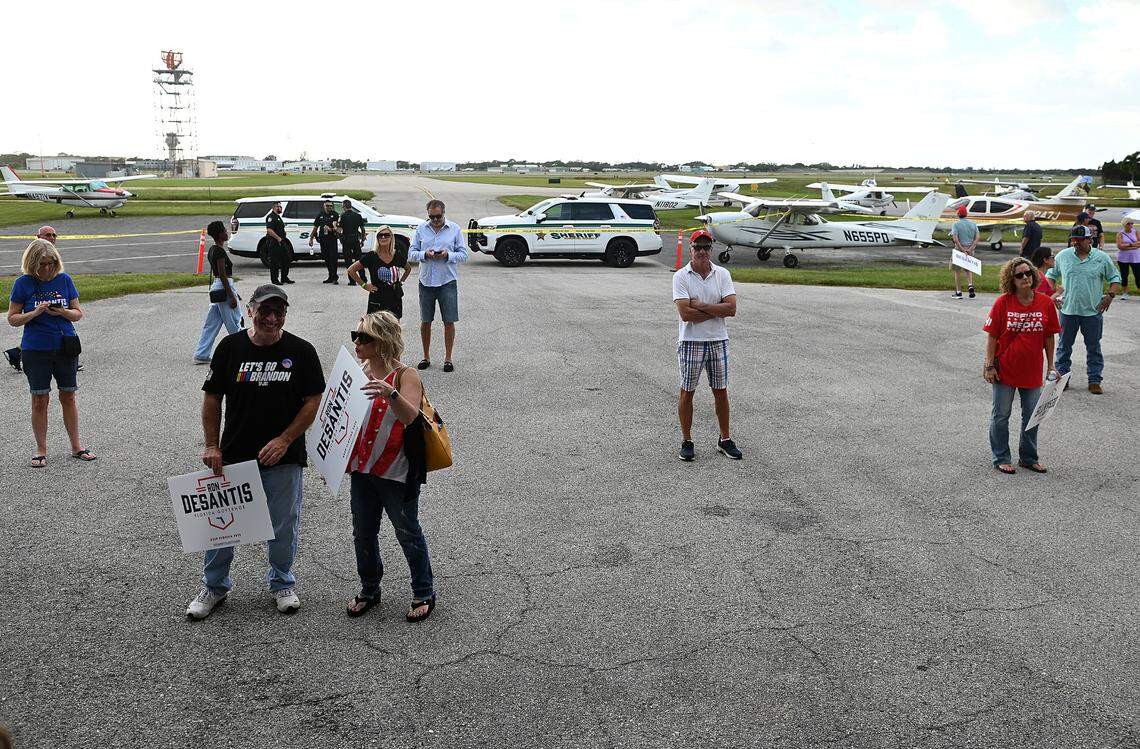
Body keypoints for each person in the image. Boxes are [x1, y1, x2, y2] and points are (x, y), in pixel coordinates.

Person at [187, 284, 325, 620]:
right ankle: (215, 586)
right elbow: (212, 398)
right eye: (265, 310)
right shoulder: (230, 348)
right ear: (251, 311)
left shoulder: (302, 351)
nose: (272, 318)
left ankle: (281, 583)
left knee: (283, 524)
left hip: (284, 457)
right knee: (221, 525)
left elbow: (313, 402)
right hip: (235, 453)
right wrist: (211, 444)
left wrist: (285, 440)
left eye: (279, 312)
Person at [344, 310, 436, 622]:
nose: (356, 342)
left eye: (363, 337)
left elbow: (412, 418)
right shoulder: (360, 369)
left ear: (383, 341)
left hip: (397, 471)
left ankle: (423, 591)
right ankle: (370, 588)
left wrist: (390, 392)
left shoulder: (405, 375)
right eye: (355, 335)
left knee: (407, 531)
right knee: (363, 532)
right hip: (363, 469)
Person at [6, 239, 95, 467]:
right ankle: (41, 449)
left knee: (68, 396)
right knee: (40, 399)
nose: (46, 269)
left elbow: (77, 313)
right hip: (36, 349)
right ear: (32, 263)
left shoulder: (64, 280)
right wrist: (34, 313)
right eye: (42, 264)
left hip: (65, 346)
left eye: (50, 263)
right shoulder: (22, 283)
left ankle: (76, 446)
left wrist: (62, 312)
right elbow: (13, 319)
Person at [983, 258, 1060, 475]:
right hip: (1005, 369)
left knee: (1032, 415)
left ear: (1034, 275)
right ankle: (1001, 457)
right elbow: (992, 337)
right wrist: (990, 366)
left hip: (1032, 370)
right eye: (1019, 275)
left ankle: (1028, 457)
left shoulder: (1045, 303)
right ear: (1012, 280)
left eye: (1028, 273)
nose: (1025, 277)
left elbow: (1049, 337)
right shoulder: (1003, 302)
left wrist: (1051, 365)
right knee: (1001, 415)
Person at [672, 229, 740, 462]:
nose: (702, 251)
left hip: (718, 341)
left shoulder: (722, 274)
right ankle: (687, 440)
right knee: (687, 392)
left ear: (711, 249)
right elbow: (685, 314)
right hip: (691, 342)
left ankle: (725, 439)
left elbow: (731, 309)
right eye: (697, 247)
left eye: (706, 247)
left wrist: (700, 304)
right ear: (690, 249)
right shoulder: (681, 276)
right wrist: (715, 309)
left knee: (721, 392)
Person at [1046, 224, 1122, 394]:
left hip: (1092, 311)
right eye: (1074, 239)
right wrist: (1053, 295)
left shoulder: (1101, 257)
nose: (1076, 243)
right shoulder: (1063, 256)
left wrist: (1110, 295)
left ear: (1090, 240)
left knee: (1093, 346)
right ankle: (1062, 378)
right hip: (1068, 310)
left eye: (1080, 240)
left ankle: (1095, 380)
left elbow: (1115, 277)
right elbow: (1050, 275)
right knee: (1064, 346)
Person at [408, 199, 468, 372]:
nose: (435, 220)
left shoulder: (454, 229)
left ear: (444, 213)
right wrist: (424, 254)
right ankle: (426, 356)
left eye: (438, 216)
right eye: (431, 217)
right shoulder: (421, 229)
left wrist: (448, 255)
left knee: (449, 321)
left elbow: (464, 255)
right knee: (425, 321)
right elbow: (411, 253)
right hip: (426, 282)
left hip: (447, 281)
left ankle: (448, 358)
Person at [193, 221, 242, 365]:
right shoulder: (219, 251)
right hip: (224, 286)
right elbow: (222, 274)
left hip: (217, 287)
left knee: (211, 324)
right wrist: (231, 296)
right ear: (219, 234)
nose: (226, 232)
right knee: (235, 322)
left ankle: (201, 354)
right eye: (224, 230)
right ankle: (243, 351)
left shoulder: (213, 249)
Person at [347, 225, 411, 317]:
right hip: (377, 298)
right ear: (377, 238)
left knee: (394, 327)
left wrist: (401, 282)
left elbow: (408, 269)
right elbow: (351, 270)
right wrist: (364, 285)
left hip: (395, 297)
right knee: (376, 328)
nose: (383, 237)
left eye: (386, 235)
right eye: (380, 235)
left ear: (391, 237)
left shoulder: (397, 255)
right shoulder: (371, 256)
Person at [309, 199, 341, 284]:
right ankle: (330, 276)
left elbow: (338, 229)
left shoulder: (335, 215)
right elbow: (315, 228)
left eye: (330, 206)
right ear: (324, 206)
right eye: (327, 206)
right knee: (326, 258)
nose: (329, 207)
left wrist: (331, 229)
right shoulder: (320, 215)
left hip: (332, 239)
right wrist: (311, 238)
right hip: (323, 240)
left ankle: (335, 277)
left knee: (333, 258)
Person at [950, 204, 978, 299]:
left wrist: (962, 250)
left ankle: (959, 292)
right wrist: (970, 249)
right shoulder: (973, 224)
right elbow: (977, 238)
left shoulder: (956, 224)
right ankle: (970, 285)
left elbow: (955, 239)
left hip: (959, 250)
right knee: (968, 269)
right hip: (970, 249)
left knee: (957, 271)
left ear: (958, 214)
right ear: (966, 214)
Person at [338, 199, 367, 286]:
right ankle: (363, 278)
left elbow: (339, 230)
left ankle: (352, 280)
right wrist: (362, 239)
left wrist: (340, 237)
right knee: (359, 260)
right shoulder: (358, 216)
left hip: (346, 240)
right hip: (355, 239)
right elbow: (362, 229)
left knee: (348, 261)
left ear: (344, 206)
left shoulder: (342, 216)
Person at [264, 202, 293, 285]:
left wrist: (283, 233)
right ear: (274, 207)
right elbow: (269, 230)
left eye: (281, 207)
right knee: (274, 262)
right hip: (274, 242)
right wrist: (278, 238)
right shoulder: (271, 217)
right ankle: (275, 279)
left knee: (286, 259)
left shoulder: (278, 217)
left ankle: (284, 278)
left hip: (281, 241)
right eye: (279, 207)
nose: (280, 208)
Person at [1115, 216, 1140, 299]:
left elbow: (1139, 243)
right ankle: (1125, 293)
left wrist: (1126, 246)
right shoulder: (1120, 234)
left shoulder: (1136, 232)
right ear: (1124, 224)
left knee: (1138, 275)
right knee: (1124, 275)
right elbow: (1120, 246)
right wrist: (1132, 245)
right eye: (1128, 223)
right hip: (1123, 258)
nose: (1131, 225)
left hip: (1135, 258)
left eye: (1132, 223)